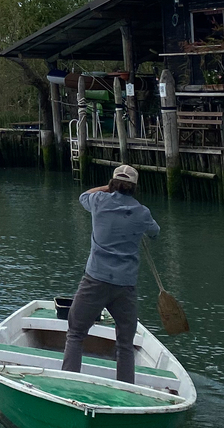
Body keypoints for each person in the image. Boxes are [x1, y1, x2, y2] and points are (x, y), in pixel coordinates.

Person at [60, 163, 159, 384]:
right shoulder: (142, 213)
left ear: (113, 184)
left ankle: (67, 383)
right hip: (125, 286)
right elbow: (155, 233)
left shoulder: (99, 201)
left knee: (75, 333)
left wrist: (108, 187)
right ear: (134, 188)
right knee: (125, 343)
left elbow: (83, 195)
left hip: (95, 280)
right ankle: (126, 388)